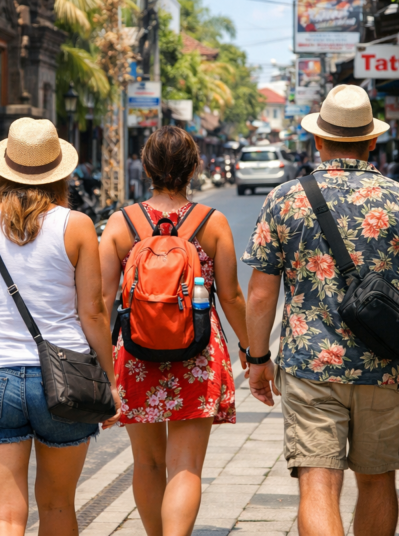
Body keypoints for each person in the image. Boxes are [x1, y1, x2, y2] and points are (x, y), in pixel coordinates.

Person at [242, 84, 399, 536]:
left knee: (317, 485)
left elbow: (261, 294)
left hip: (309, 366)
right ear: (372, 141)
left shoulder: (285, 198)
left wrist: (258, 360)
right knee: (378, 483)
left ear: (318, 140)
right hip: (389, 367)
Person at [0, 118, 120, 536]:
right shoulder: (75, 225)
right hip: (65, 379)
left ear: (2, 170)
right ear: (60, 173)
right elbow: (92, 313)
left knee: (2, 517)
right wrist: (110, 380)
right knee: (58, 507)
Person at [99, 126, 250, 536]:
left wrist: (97, 363)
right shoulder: (211, 222)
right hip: (196, 354)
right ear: (195, 167)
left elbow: (99, 303)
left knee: (146, 463)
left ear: (146, 167)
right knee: (185, 466)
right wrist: (252, 352)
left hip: (135, 352)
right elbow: (233, 296)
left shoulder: (121, 223)